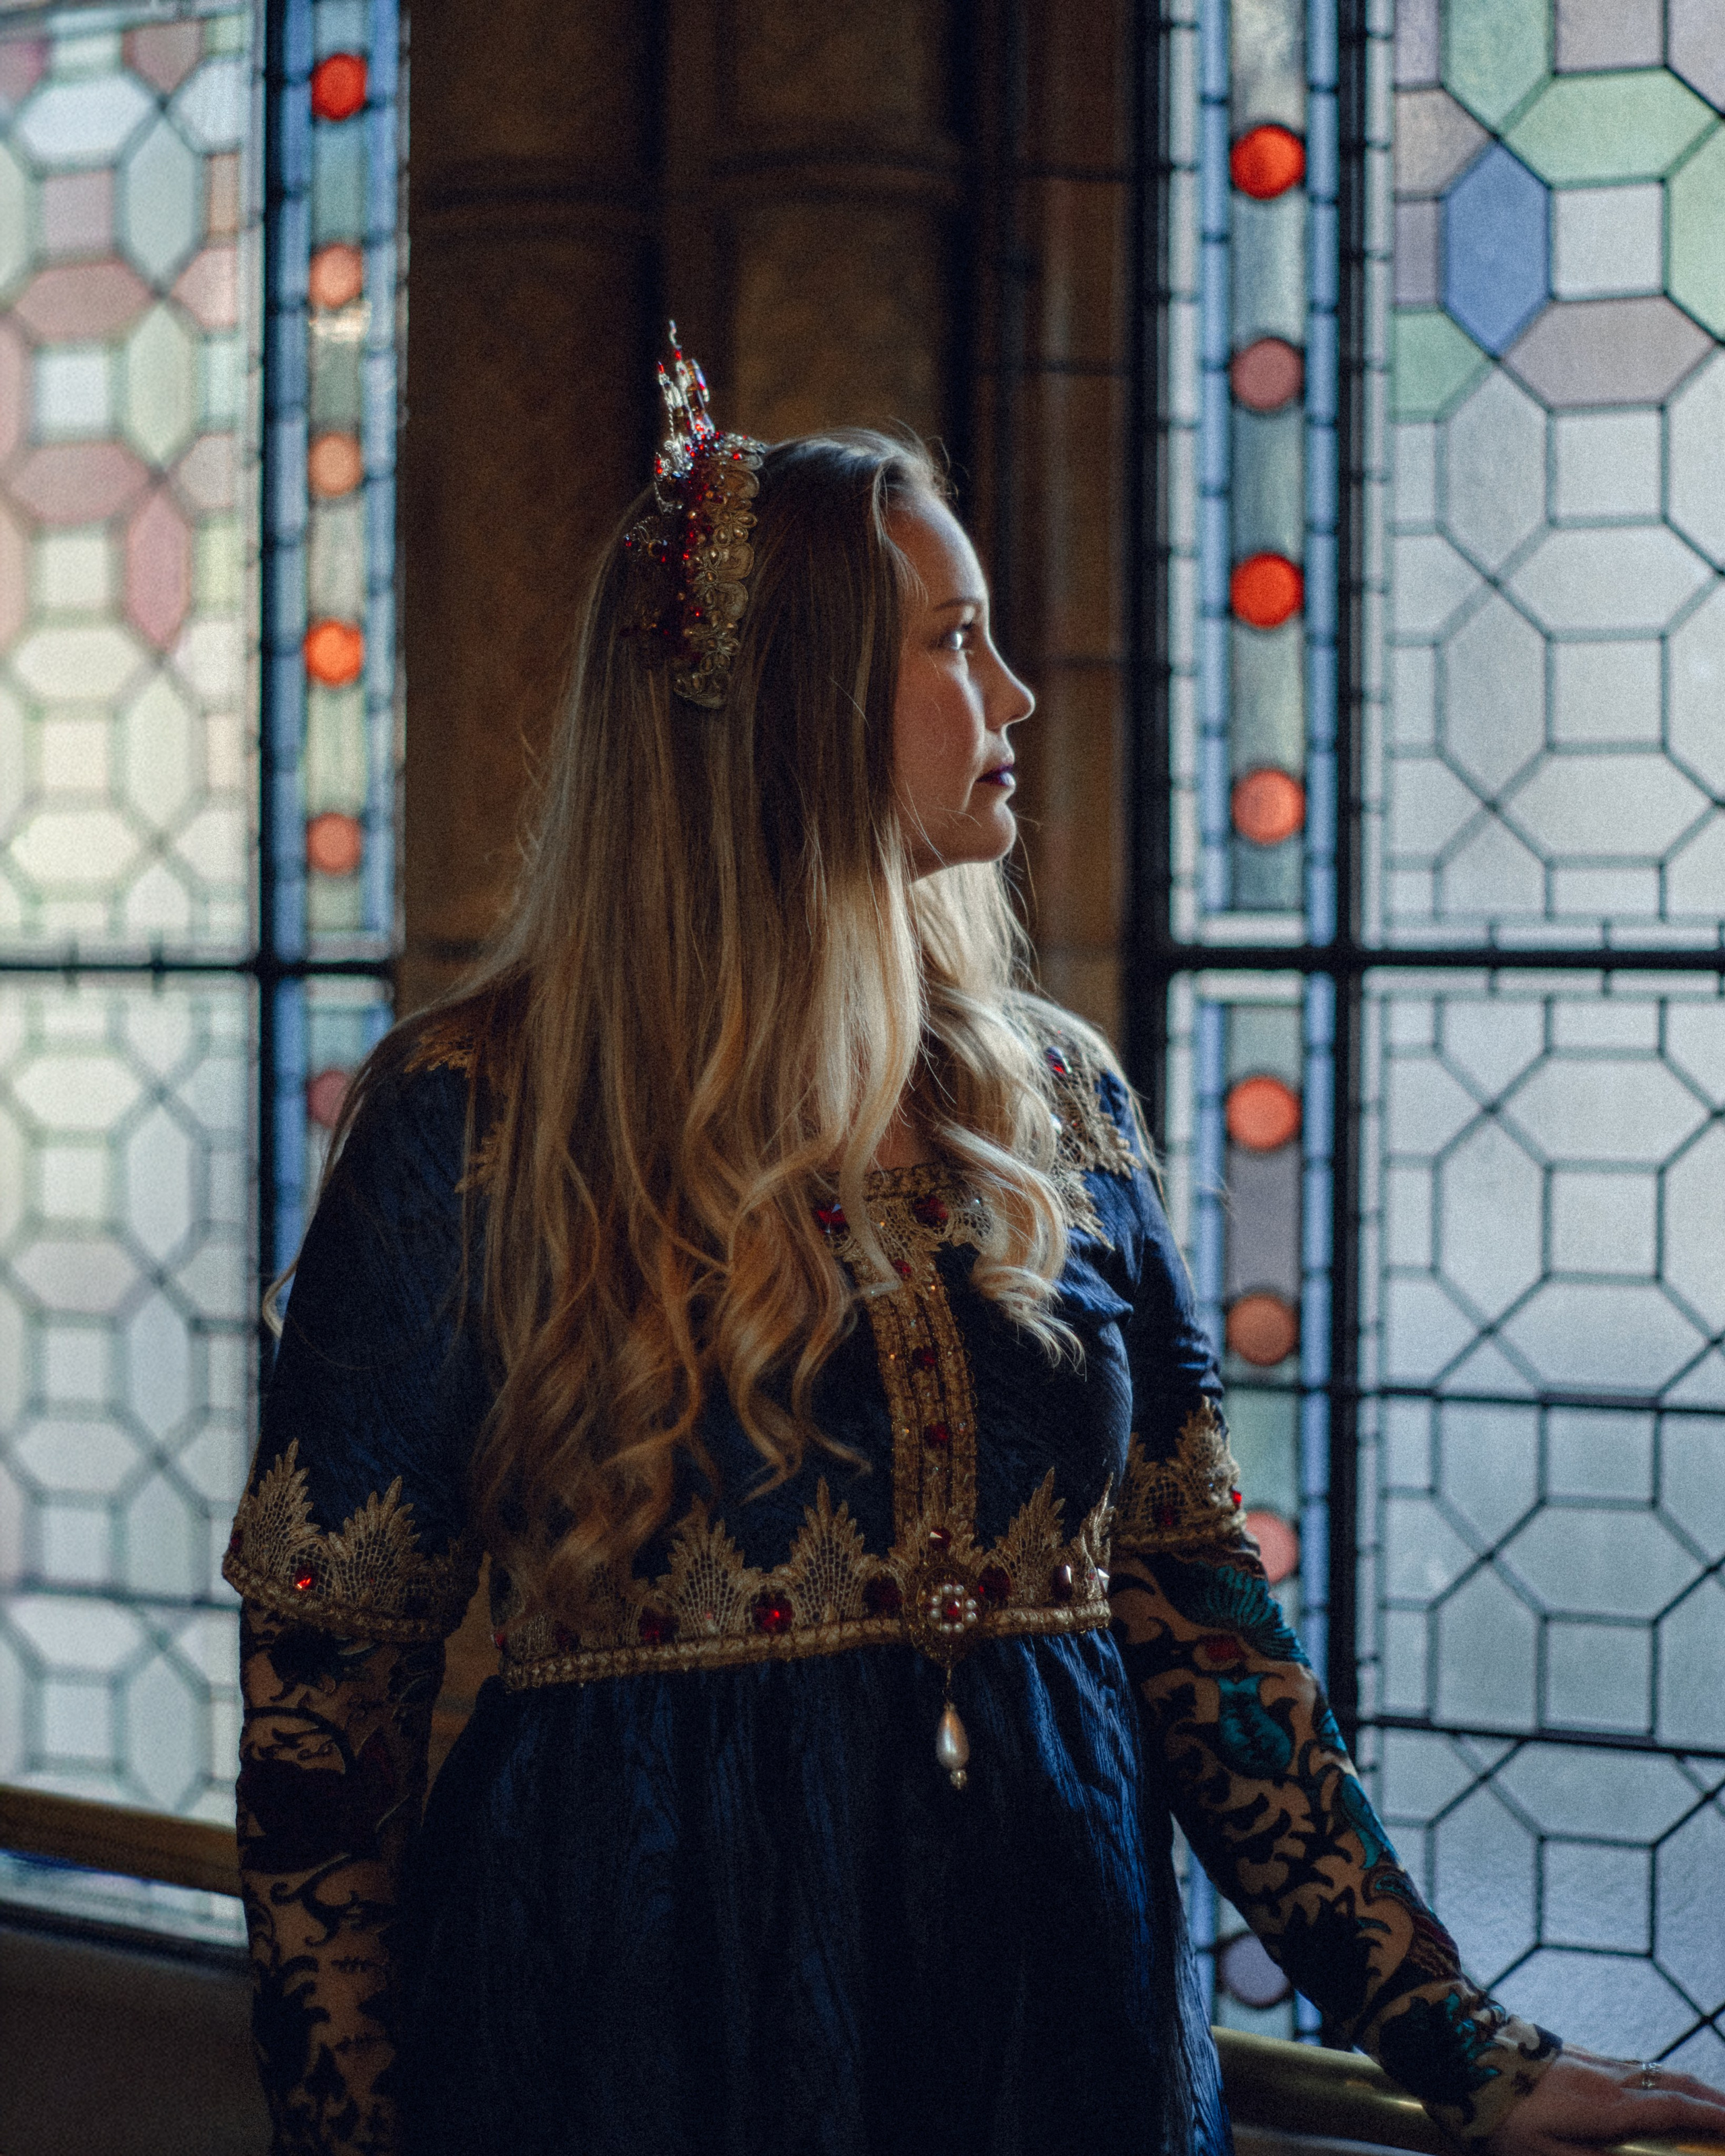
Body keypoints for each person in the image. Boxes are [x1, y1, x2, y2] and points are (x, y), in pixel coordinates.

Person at [225, 338, 1725, 2156]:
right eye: (950, 641)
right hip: (635, 2014)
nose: (1012, 692)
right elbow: (328, 1729)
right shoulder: (470, 1116)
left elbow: (1201, 1619)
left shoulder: (1058, 1105)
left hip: (1053, 2012)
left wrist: (1459, 2044)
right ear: (791, 697)